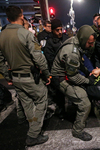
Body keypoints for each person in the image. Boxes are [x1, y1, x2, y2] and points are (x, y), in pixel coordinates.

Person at [0, 6, 51, 146]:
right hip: (29, 76)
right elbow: (38, 58)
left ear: (8, 18)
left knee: (27, 104)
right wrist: (46, 74)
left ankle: (33, 127)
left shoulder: (2, 35)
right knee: (41, 99)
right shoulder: (26, 34)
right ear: (22, 16)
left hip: (15, 77)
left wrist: (7, 75)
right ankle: (33, 135)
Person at [51, 25, 96, 141]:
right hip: (61, 78)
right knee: (84, 103)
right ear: (83, 39)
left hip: (65, 74)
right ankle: (78, 130)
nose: (91, 45)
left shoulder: (75, 42)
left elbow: (78, 62)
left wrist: (87, 72)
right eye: (89, 43)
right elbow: (72, 77)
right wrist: (88, 81)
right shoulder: (72, 51)